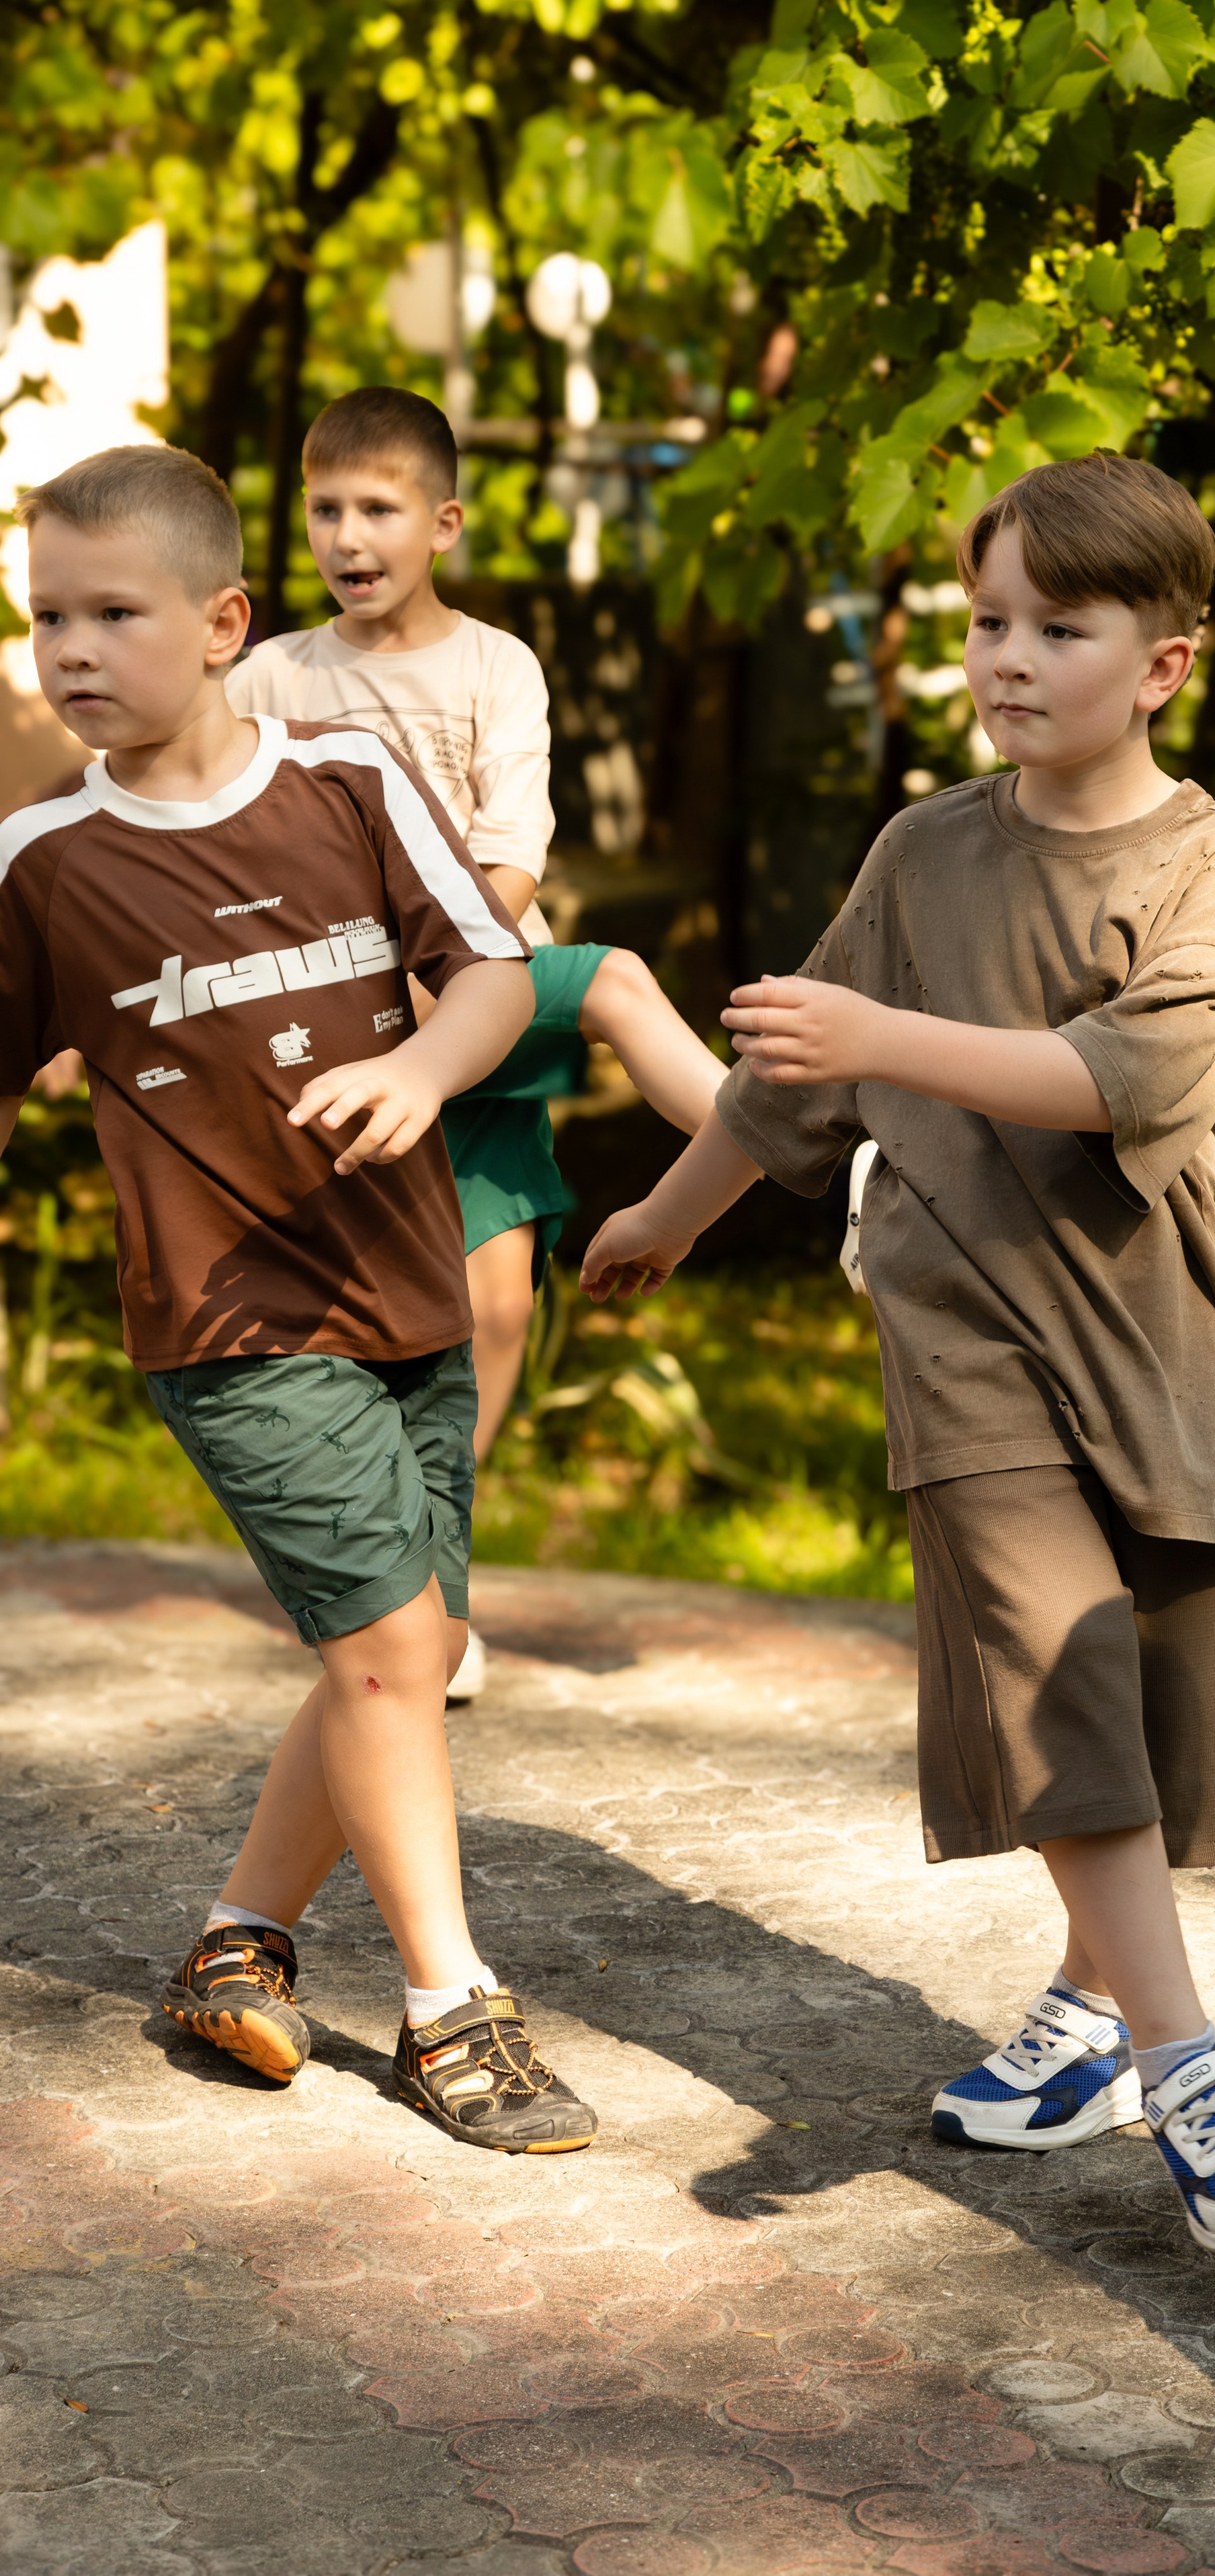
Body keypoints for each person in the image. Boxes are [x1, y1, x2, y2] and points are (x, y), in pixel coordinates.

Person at [581, 453, 1215, 2256]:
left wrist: (884, 1033)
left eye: (1058, 627)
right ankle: (1191, 2070)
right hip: (957, 1326)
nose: (1009, 657)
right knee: (1063, 1686)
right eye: (991, 620)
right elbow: (794, 1078)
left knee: (1150, 1697)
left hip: (1146, 1335)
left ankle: (1082, 2017)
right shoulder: (921, 849)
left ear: (1162, 662)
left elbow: (1128, 1080)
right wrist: (677, 1212)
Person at [0, 441, 595, 2151]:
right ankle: (448, 2014)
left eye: (115, 612)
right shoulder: (43, 860)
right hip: (228, 1322)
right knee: (398, 1649)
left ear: (222, 622)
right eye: (49, 618)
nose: (74, 650)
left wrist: (420, 1076)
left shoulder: (343, 779)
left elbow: (489, 973)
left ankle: (233, 1944)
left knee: (397, 1649)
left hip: (405, 1284)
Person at [228, 386, 722, 1701]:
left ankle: (788, 1138)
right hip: (339, 1010)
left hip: (481, 989)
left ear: (441, 522)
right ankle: (416, 1598)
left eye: (377, 508)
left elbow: (512, 855)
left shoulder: (494, 664)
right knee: (387, 1329)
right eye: (325, 508)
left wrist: (435, 963)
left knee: (496, 1307)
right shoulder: (275, 674)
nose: (347, 533)